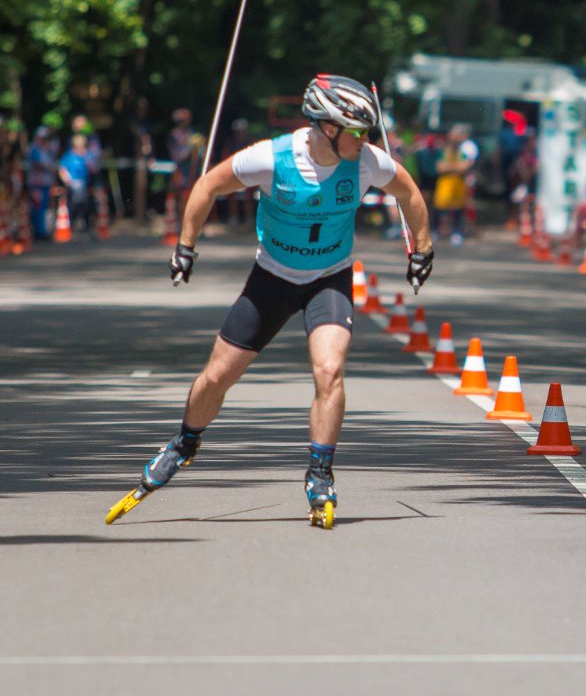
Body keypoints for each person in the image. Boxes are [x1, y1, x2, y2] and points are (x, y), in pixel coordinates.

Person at [106, 75, 433, 529]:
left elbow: (410, 194)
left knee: (329, 369)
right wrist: (185, 245)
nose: (368, 141)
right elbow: (206, 188)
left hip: (329, 280)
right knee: (217, 376)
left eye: (369, 133)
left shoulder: (367, 163)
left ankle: (320, 473)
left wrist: (422, 249)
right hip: (272, 281)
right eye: (358, 133)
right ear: (327, 127)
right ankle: (184, 443)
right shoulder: (271, 158)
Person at [433, 123, 477, 246]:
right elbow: (440, 167)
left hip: (458, 184)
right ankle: (438, 230)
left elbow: (465, 166)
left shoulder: (463, 151)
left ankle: (457, 232)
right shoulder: (444, 151)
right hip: (445, 183)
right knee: (440, 208)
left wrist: (449, 167)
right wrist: (455, 167)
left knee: (458, 209)